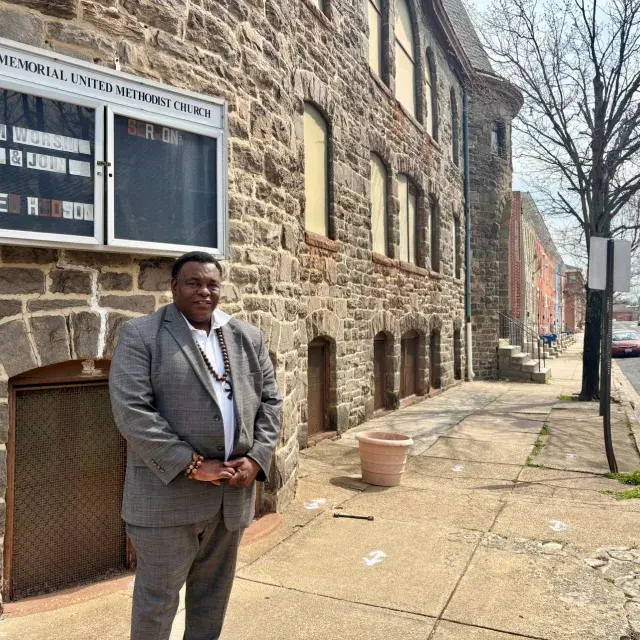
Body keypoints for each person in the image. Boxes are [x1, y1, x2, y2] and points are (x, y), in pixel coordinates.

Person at [109, 251, 282, 640]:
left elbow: (271, 402)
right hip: (167, 498)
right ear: (174, 287)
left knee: (211, 601)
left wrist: (257, 459)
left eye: (212, 284)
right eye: (193, 283)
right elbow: (132, 411)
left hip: (230, 498)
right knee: (157, 603)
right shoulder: (142, 335)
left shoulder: (247, 337)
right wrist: (191, 464)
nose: (204, 291)